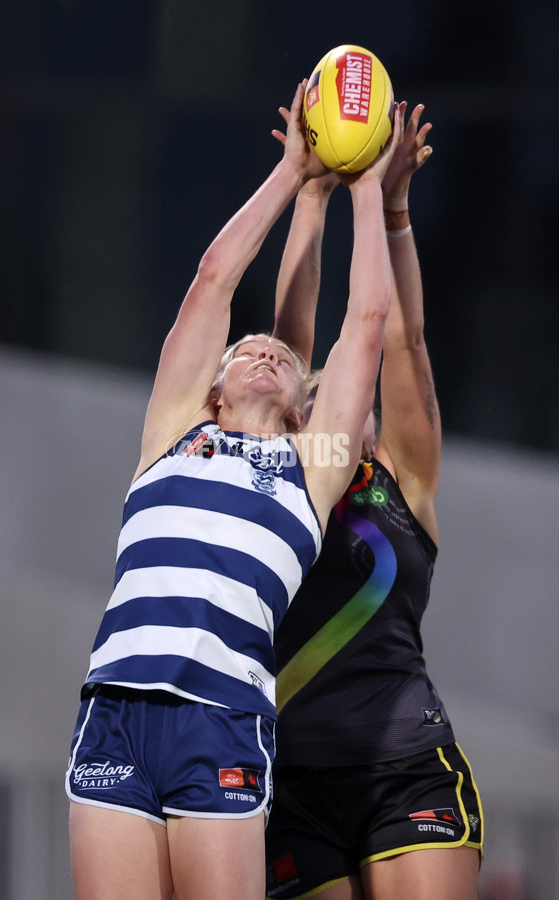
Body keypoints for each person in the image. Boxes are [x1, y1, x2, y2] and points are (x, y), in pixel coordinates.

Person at [64, 82, 400, 900]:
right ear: (211, 387)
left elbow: (364, 324)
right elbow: (216, 277)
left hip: (219, 715)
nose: (262, 348)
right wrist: (292, 173)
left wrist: (363, 185)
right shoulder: (173, 433)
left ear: (298, 402)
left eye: (280, 354)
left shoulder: (311, 466)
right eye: (244, 348)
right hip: (115, 706)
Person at [265, 102, 484, 900]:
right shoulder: (282, 481)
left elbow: (401, 339)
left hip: (407, 770)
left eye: (353, 401)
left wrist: (392, 209)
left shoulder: (404, 486)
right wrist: (312, 198)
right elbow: (291, 347)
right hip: (293, 782)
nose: (340, 406)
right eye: (321, 400)